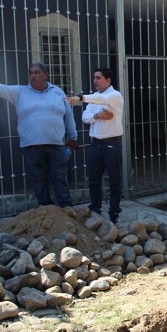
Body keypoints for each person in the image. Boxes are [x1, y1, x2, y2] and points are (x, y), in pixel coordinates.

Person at [0, 63, 77, 207]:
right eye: (31, 73)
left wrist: (73, 136)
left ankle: (67, 211)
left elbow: (68, 115)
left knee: (60, 179)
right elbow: (0, 88)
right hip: (32, 147)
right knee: (39, 180)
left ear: (46, 75)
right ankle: (46, 211)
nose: (33, 75)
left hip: (56, 145)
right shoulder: (20, 92)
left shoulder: (57, 92)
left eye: (37, 72)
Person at [68, 68, 124, 224]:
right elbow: (85, 117)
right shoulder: (95, 98)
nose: (95, 81)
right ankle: (95, 209)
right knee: (94, 180)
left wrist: (80, 97)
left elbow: (102, 100)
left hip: (112, 144)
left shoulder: (115, 96)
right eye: (94, 77)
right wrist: (97, 116)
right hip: (95, 145)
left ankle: (114, 213)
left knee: (114, 181)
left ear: (108, 80)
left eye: (98, 78)